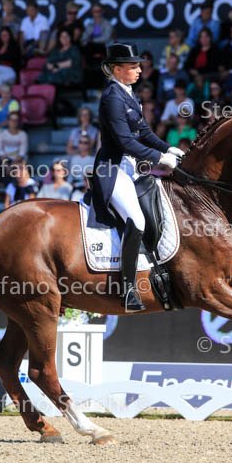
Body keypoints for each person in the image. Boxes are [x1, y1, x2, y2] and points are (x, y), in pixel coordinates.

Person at [90, 44, 181, 311]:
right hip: (113, 168)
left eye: (139, 65)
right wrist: (159, 158)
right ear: (117, 69)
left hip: (131, 167)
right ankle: (127, 289)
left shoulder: (128, 93)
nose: (139, 70)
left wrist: (168, 148)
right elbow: (126, 142)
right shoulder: (112, 98)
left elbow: (144, 133)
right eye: (133, 66)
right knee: (137, 220)